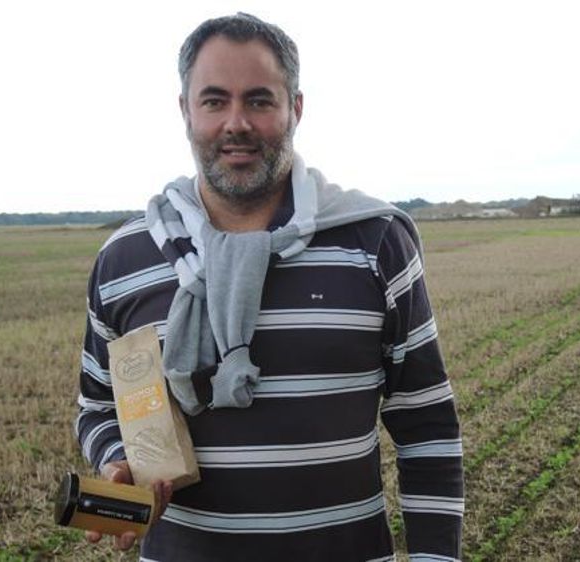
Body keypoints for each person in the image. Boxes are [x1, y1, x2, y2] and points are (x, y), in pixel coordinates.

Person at [75, 13, 463, 561]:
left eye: (259, 100)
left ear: (295, 108)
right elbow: (96, 406)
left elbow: (426, 427)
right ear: (185, 111)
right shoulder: (125, 259)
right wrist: (118, 459)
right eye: (214, 101)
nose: (237, 123)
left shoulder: (375, 242)